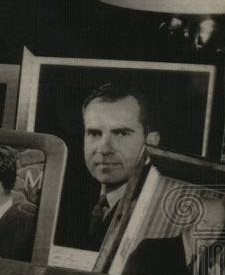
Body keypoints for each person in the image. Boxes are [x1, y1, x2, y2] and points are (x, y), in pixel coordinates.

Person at [68, 83, 160, 251]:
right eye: (94, 133)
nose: (104, 149)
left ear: (151, 143)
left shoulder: (157, 217)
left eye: (121, 133)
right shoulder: (69, 204)